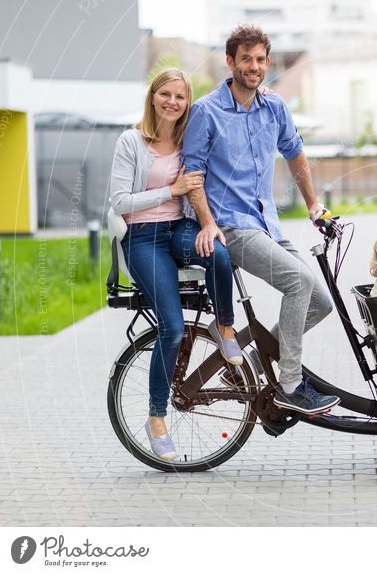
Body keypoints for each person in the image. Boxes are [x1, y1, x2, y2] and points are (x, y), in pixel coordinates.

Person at [182, 25, 340, 415]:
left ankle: (249, 366)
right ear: (230, 61)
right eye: (246, 59)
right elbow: (193, 174)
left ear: (268, 63)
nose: (254, 67)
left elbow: (295, 152)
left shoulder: (274, 106)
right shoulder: (207, 111)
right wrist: (206, 222)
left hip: (266, 224)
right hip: (230, 227)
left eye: (260, 60)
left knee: (320, 303)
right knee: (298, 280)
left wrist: (313, 206)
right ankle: (290, 384)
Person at [109, 68, 242, 461]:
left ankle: (225, 326)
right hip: (143, 239)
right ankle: (156, 418)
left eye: (180, 97)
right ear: (153, 97)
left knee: (219, 253)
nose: (172, 102)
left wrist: (252, 90)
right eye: (165, 94)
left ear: (187, 103)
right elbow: (119, 202)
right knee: (172, 328)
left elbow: (226, 117)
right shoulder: (131, 141)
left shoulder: (188, 140)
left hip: (179, 229)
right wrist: (172, 189)